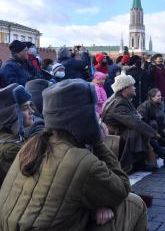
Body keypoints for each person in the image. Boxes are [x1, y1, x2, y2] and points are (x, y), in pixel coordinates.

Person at [0, 79, 148, 230]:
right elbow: (122, 189)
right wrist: (97, 141)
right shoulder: (81, 160)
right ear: (85, 118)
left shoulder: (32, 145)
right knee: (134, 203)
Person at [102, 74, 165, 172]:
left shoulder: (123, 100)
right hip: (116, 134)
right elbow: (135, 123)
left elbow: (137, 120)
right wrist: (155, 134)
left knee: (144, 129)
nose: (135, 88)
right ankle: (140, 163)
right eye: (132, 86)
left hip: (123, 130)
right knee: (140, 132)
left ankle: (163, 157)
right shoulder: (119, 103)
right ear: (125, 89)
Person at [0, 84, 43, 186]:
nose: (32, 111)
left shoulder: (10, 137)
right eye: (25, 108)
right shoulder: (12, 149)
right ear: (11, 114)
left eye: (30, 106)